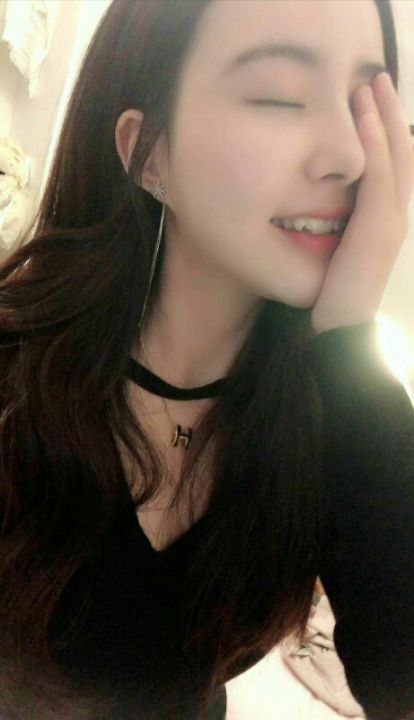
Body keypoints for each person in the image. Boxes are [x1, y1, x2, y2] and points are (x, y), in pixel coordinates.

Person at [0, 1, 413, 718]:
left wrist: (349, 336)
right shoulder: (17, 372)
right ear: (147, 153)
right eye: (281, 96)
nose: (349, 156)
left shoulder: (337, 419)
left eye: (365, 107)